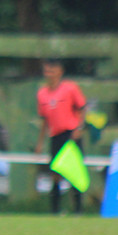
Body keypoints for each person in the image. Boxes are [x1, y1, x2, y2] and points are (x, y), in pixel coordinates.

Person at [35, 59, 86, 214]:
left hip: (71, 134)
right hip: (55, 135)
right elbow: (44, 119)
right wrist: (40, 141)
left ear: (60, 72)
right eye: (46, 71)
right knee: (55, 173)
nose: (49, 74)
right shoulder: (42, 93)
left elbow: (82, 108)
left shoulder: (70, 89)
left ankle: (78, 209)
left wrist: (79, 127)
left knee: (73, 172)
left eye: (52, 71)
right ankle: (55, 210)